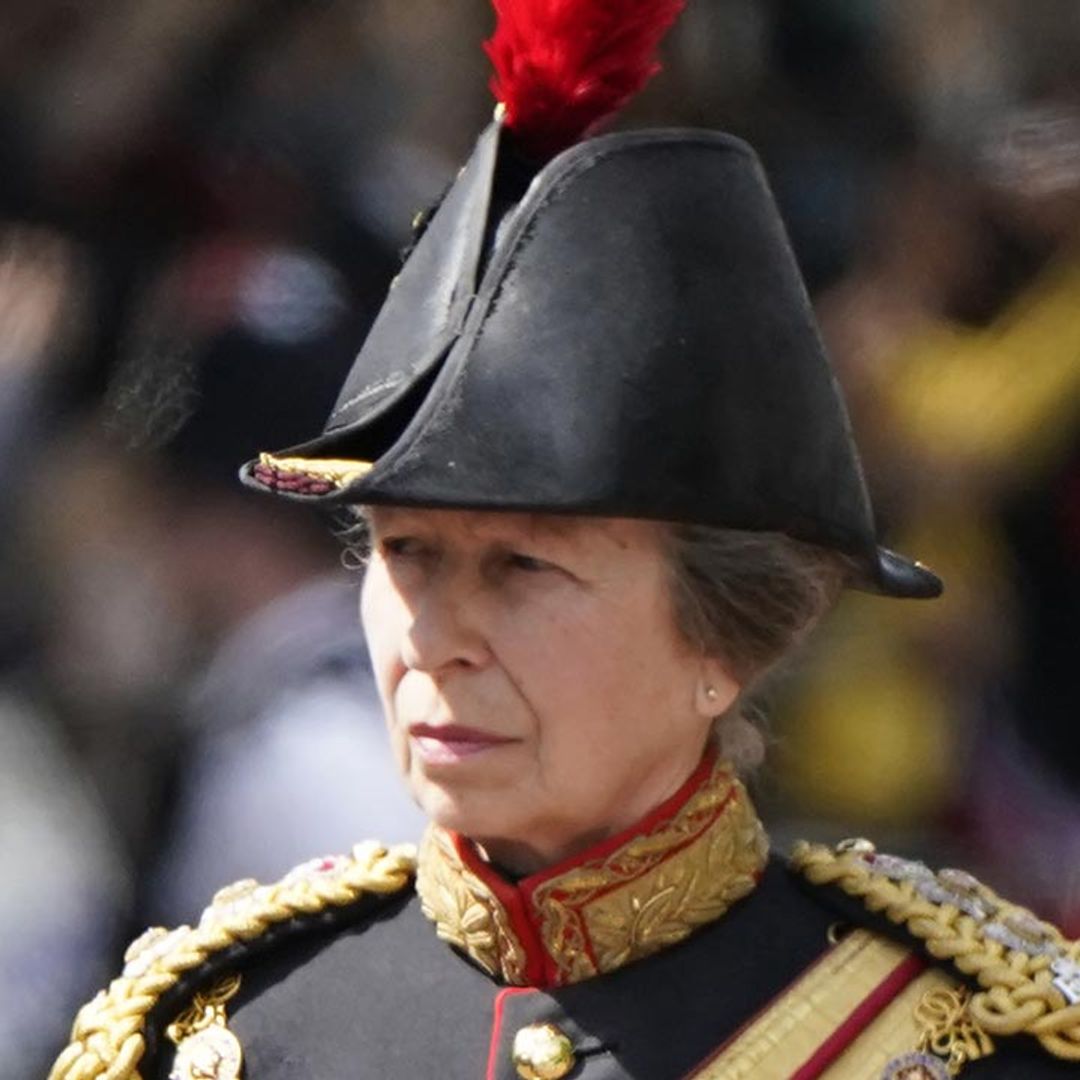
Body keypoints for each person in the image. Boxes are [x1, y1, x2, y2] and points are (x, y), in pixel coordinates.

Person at [51, 3, 1080, 1078]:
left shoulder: (966, 1041)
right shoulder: (223, 1034)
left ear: (726, 637)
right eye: (405, 554)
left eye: (524, 567)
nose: (436, 639)